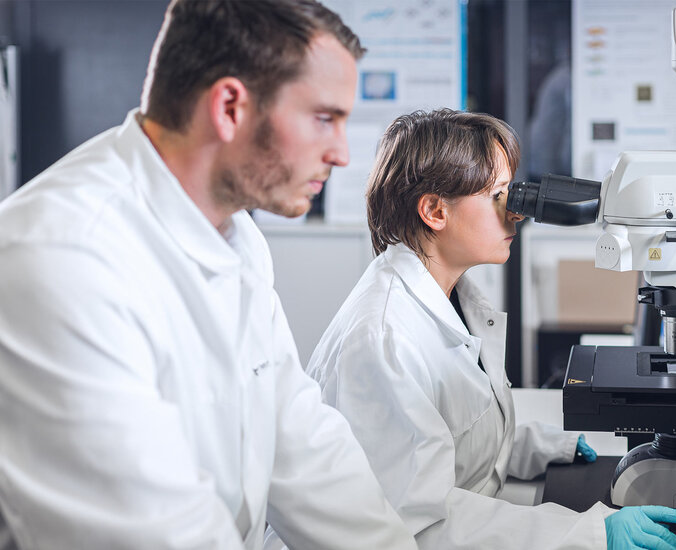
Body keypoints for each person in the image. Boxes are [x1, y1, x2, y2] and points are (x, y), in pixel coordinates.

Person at [0, 1, 418, 549]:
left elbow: (304, 447)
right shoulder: (64, 259)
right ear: (229, 107)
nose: (342, 153)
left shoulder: (235, 236)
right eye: (324, 118)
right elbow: (153, 535)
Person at [305, 109, 676, 549]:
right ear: (435, 211)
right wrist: (589, 534)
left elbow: (450, 433)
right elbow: (420, 523)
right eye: (498, 196)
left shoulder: (454, 296)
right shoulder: (384, 339)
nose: (518, 213)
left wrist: (536, 445)